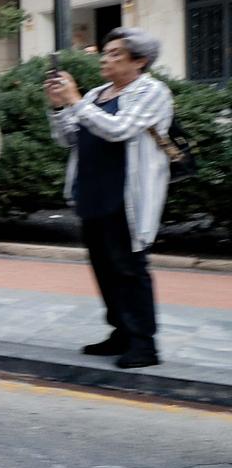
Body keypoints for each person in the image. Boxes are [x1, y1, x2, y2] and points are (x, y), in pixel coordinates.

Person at [46, 27, 173, 370]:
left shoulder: (152, 91)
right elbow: (69, 137)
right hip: (91, 191)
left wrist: (74, 101)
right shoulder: (97, 94)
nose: (106, 58)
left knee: (130, 269)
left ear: (140, 61)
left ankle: (144, 344)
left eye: (116, 53)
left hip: (127, 196)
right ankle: (120, 332)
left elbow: (119, 130)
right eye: (106, 51)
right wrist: (60, 107)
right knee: (104, 268)